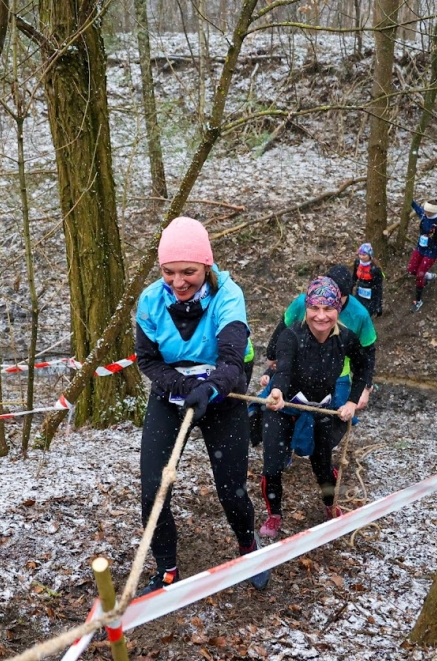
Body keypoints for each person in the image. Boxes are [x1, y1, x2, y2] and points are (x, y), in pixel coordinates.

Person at [134, 216, 269, 595]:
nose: (178, 282)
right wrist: (181, 385)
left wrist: (208, 389)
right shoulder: (149, 301)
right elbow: (148, 360)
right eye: (168, 272)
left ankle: (248, 548)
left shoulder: (228, 295)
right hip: (170, 396)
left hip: (222, 397)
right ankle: (166, 569)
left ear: (206, 266)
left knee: (231, 489)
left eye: (189, 272)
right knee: (153, 489)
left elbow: (231, 360)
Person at [257, 277, 373, 539]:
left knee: (322, 464)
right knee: (273, 464)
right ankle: (274, 514)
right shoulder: (291, 335)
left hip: (321, 409)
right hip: (283, 406)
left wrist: (352, 402)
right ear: (306, 308)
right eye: (315, 308)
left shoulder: (345, 338)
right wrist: (277, 391)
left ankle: (330, 506)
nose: (321, 316)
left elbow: (363, 366)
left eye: (328, 309)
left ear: (337, 311)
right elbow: (283, 369)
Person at [263, 264, 377, 410]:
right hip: (299, 366)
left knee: (336, 417)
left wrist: (365, 388)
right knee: (265, 407)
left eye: (338, 298)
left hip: (338, 373)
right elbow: (283, 328)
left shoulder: (360, 314)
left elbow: (367, 353)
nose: (326, 305)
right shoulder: (302, 303)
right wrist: (272, 356)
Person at [406, 201, 437, 312]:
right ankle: (428, 276)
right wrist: (411, 201)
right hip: (420, 247)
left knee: (419, 275)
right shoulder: (424, 216)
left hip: (431, 251)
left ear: (432, 212)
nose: (424, 212)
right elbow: (419, 210)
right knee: (411, 270)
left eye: (427, 211)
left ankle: (418, 300)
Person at [351, 243, 384, 317]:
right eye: (360, 254)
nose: (361, 257)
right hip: (359, 293)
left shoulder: (375, 269)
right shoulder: (357, 263)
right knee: (356, 314)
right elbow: (354, 278)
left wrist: (379, 305)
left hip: (371, 297)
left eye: (364, 255)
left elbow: (379, 288)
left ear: (369, 255)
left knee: (365, 316)